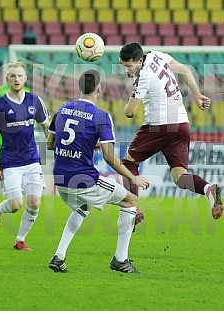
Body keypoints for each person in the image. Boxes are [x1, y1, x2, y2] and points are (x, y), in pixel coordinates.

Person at [47, 70, 150, 273]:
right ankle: (121, 259)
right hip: (84, 180)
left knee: (84, 207)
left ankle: (58, 256)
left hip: (60, 180)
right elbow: (110, 158)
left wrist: (85, 145)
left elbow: (51, 144)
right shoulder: (101, 117)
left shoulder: (62, 110)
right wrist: (133, 177)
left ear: (79, 87)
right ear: (99, 89)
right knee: (130, 201)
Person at [118, 42, 224, 226]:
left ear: (140, 60)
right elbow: (185, 71)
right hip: (181, 123)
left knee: (127, 163)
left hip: (160, 125)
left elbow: (130, 112)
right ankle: (208, 189)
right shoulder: (158, 55)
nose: (126, 70)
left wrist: (128, 102)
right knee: (180, 177)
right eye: (123, 65)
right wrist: (197, 96)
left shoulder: (143, 77)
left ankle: (132, 208)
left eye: (129, 65)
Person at [0, 62, 50, 251]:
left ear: (25, 79)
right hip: (10, 162)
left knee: (34, 202)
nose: (16, 79)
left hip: (32, 160)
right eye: (13, 76)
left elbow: (46, 126)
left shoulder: (35, 101)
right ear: (7, 79)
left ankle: (19, 241)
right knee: (15, 205)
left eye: (20, 76)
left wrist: (55, 145)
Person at [0, 84, 31, 197]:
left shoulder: (27, 92)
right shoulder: (1, 91)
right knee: (0, 164)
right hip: (2, 137)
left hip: (16, 136)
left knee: (8, 165)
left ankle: (5, 187)